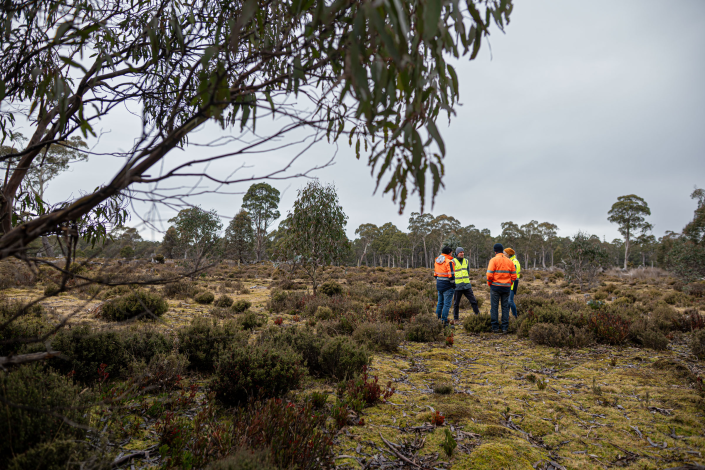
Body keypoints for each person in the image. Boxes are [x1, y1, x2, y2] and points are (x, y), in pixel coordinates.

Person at [486, 243, 517, 333]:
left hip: (495, 287)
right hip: (506, 287)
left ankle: (495, 327)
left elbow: (489, 275)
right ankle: (504, 328)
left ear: (495, 251)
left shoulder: (493, 260)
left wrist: (490, 283)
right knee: (505, 307)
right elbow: (514, 276)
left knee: (494, 307)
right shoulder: (509, 261)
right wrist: (509, 283)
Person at [452, 246, 480, 323]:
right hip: (457, 286)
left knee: (473, 301)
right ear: (457, 253)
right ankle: (456, 318)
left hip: (467, 285)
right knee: (456, 303)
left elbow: (467, 272)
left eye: (463, 252)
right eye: (461, 252)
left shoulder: (466, 261)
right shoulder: (452, 261)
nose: (462, 253)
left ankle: (478, 315)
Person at [434, 245, 455, 326]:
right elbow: (451, 275)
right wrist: (453, 284)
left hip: (439, 284)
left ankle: (437, 319)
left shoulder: (437, 260)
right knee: (447, 304)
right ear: (449, 252)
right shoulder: (449, 261)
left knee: (440, 303)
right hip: (447, 285)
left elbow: (435, 274)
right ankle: (444, 321)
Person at [504, 247, 521, 318]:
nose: (503, 254)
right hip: (508, 283)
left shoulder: (514, 262)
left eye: (504, 253)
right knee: (507, 302)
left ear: (508, 254)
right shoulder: (509, 260)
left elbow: (513, 274)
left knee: (510, 301)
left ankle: (515, 316)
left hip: (512, 283)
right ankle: (506, 317)